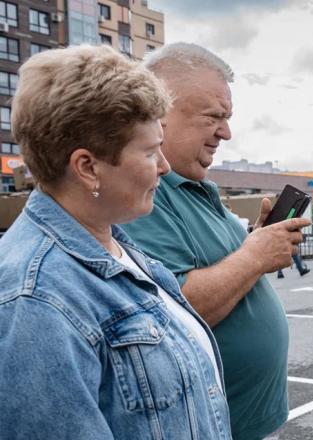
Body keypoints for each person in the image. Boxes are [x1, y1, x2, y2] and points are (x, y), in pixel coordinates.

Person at [0, 45, 231, 438]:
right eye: (150, 150)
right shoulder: (35, 302)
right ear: (88, 167)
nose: (164, 166)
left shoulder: (117, 246)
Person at [122, 43, 309, 440]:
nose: (226, 132)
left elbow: (226, 267)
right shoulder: (144, 195)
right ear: (161, 113)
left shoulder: (196, 186)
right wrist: (255, 257)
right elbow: (173, 312)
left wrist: (257, 243)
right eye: (214, 117)